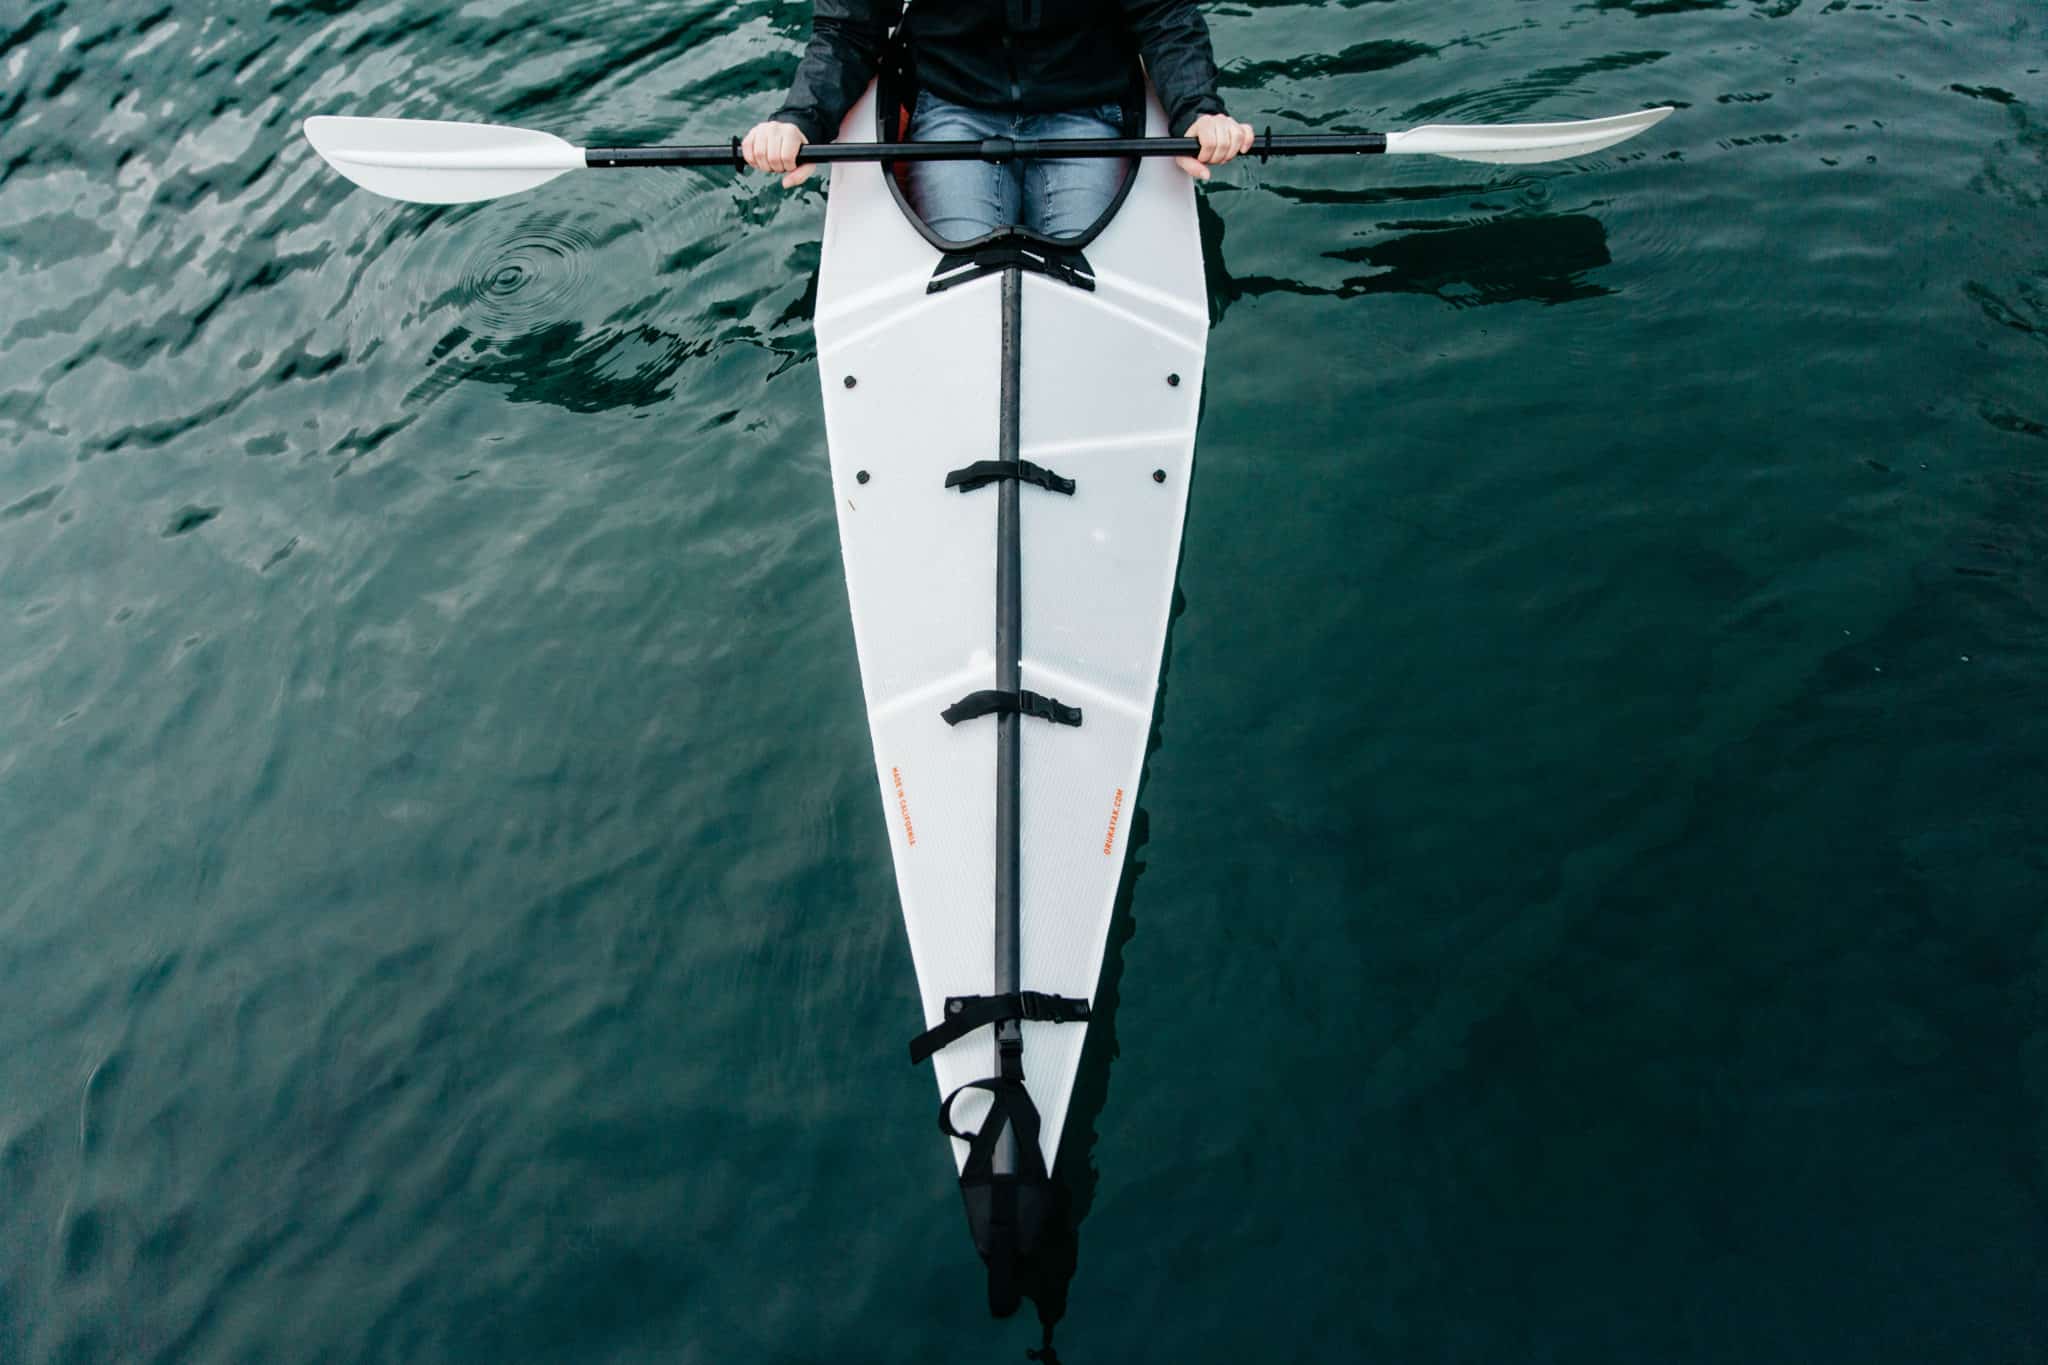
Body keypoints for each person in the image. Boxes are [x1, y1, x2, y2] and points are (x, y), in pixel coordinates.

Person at [740, 1, 1255, 243]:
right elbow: (848, 31)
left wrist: (1198, 110)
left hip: (1086, 109)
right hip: (952, 109)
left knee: (1082, 261)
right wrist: (801, 119)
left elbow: (1166, 16)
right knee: (961, 262)